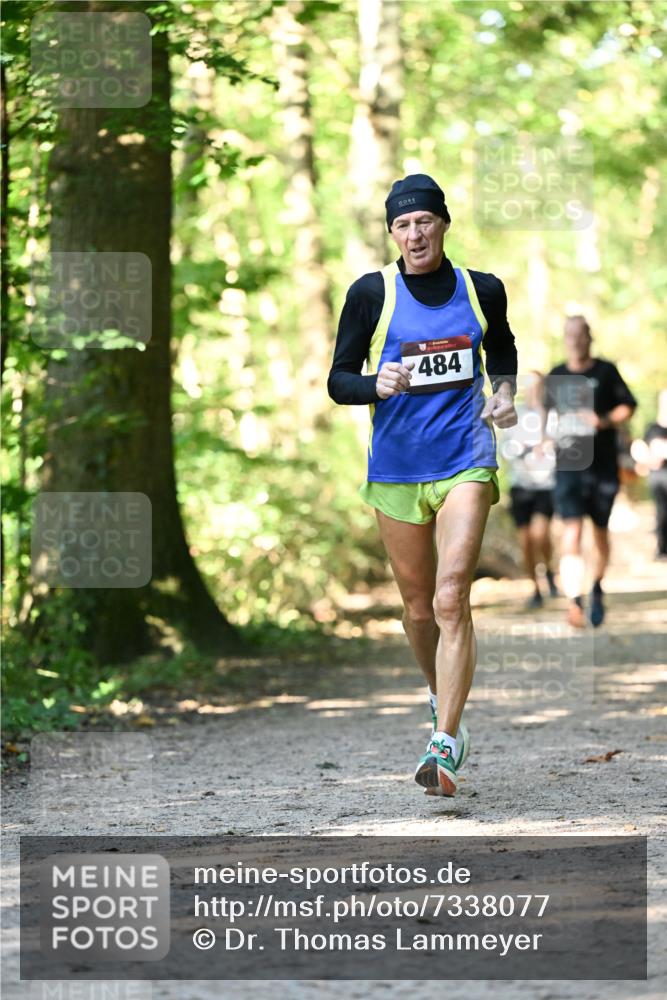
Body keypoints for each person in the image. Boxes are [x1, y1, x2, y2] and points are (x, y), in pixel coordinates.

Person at [327, 174, 518, 797]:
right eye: (402, 225)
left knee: (449, 594)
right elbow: (338, 379)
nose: (414, 234)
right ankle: (441, 696)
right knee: (415, 610)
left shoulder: (480, 289)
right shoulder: (370, 293)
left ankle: (446, 741)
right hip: (397, 469)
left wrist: (504, 393)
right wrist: (372, 384)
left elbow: (505, 349)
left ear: (443, 224)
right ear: (392, 233)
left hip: (466, 457)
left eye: (424, 222)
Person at [545, 316, 636, 628]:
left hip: (602, 468)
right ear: (565, 338)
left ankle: (596, 587)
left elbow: (629, 405)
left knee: (599, 532)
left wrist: (604, 420)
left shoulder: (606, 371)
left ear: (589, 338)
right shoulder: (556, 374)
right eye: (570, 335)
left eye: (580, 335)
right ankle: (574, 601)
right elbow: (545, 417)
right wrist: (544, 439)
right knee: (571, 532)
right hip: (568, 466)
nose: (575, 340)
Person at [502, 371, 559, 608]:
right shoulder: (513, 414)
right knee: (525, 540)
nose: (532, 389)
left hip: (546, 484)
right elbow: (505, 448)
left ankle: (549, 569)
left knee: (540, 534)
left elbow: (560, 445)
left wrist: (547, 446)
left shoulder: (554, 415)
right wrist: (523, 449)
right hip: (520, 484)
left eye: (537, 385)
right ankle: (535, 588)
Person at [631, 389, 667, 559]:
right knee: (661, 513)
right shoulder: (652, 428)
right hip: (658, 477)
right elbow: (642, 451)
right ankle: (662, 549)